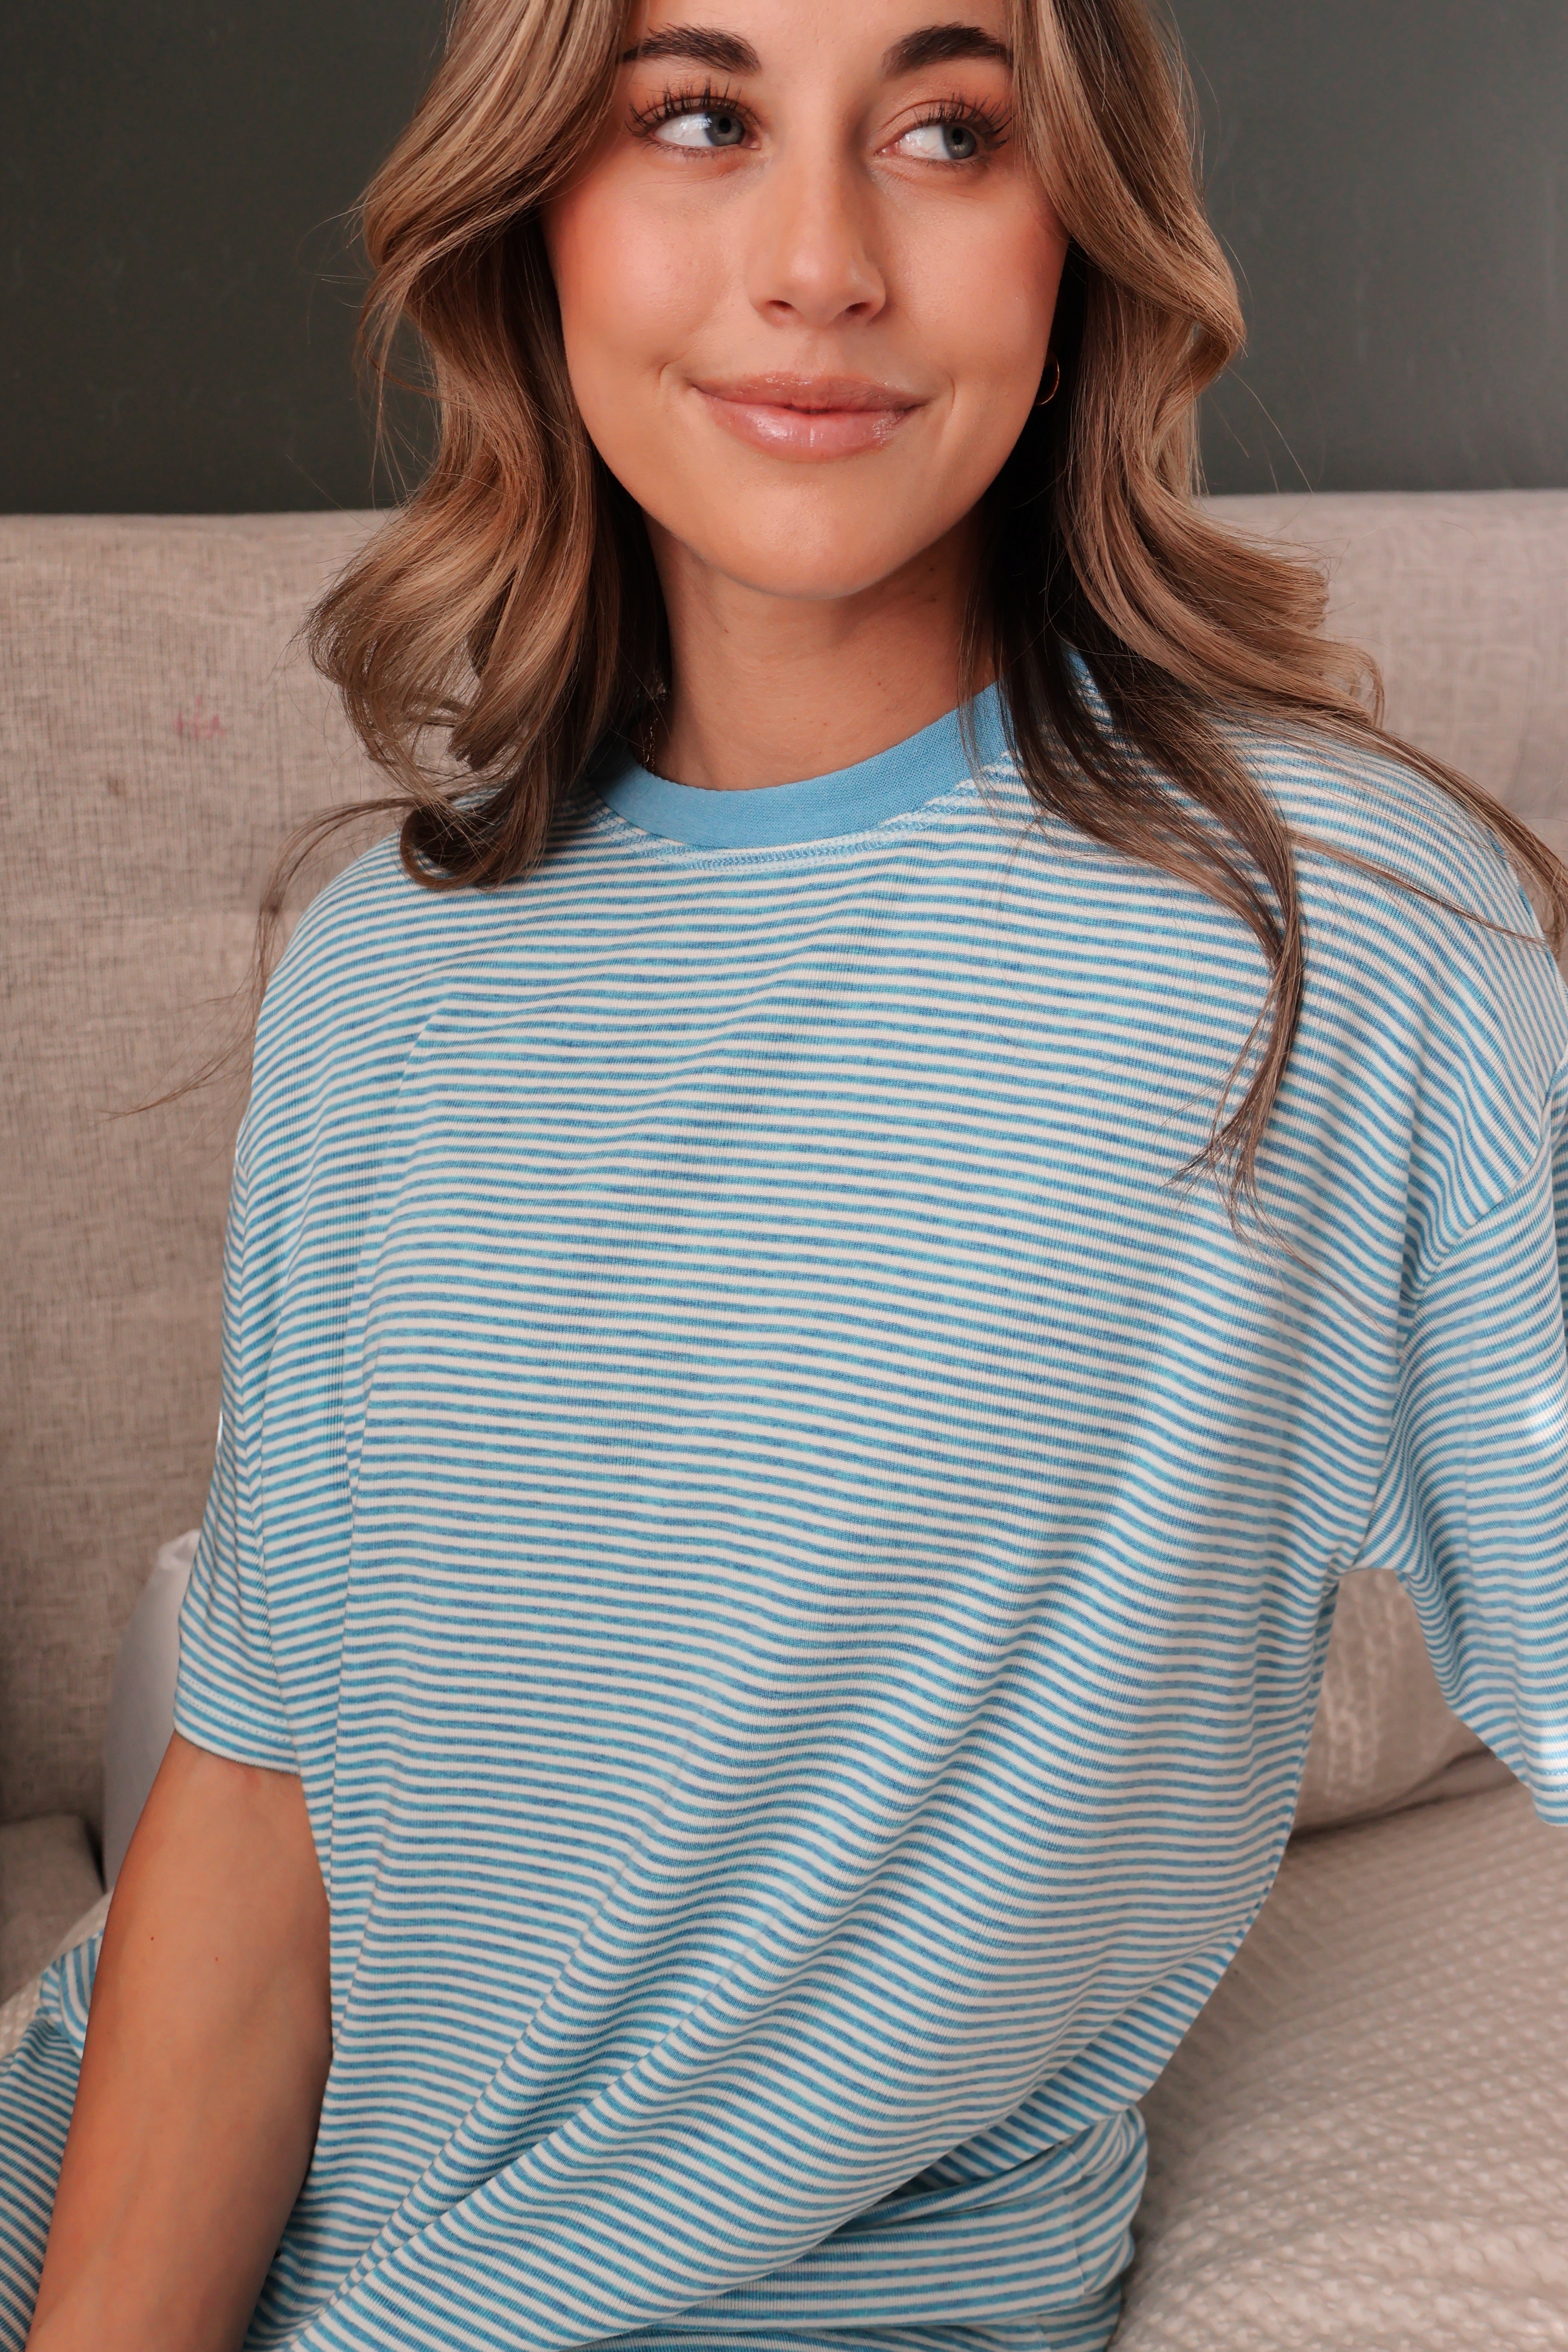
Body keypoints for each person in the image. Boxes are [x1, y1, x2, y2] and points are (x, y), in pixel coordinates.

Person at [5, 0, 1568, 2346]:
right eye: (698, 116)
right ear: (541, 210)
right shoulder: (385, 973)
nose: (821, 259)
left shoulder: (1337, 945)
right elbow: (256, 1809)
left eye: (947, 133)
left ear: (1080, 235)